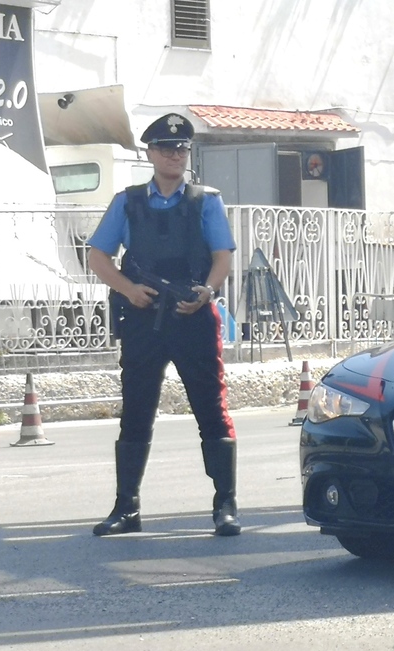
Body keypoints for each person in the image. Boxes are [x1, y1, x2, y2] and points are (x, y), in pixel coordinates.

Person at [85, 113, 241, 537]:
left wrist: (207, 292)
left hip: (193, 317)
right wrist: (128, 289)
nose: (175, 155)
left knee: (211, 407)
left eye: (181, 149)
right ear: (150, 153)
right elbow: (98, 255)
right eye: (166, 148)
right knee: (136, 410)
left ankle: (225, 505)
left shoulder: (206, 200)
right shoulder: (128, 201)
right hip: (143, 317)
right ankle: (126, 508)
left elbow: (222, 256)